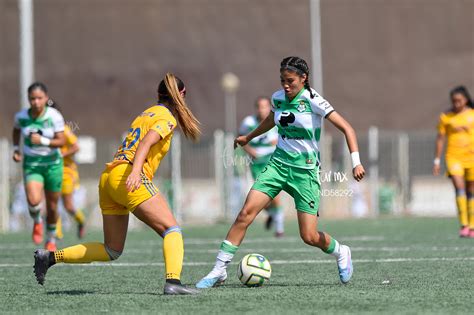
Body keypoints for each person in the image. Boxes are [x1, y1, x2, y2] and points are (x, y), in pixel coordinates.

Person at [196, 56, 365, 288]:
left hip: (305, 173)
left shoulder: (314, 100)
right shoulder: (277, 98)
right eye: (282, 80)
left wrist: (356, 162)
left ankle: (341, 251)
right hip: (277, 166)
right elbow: (271, 120)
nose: (285, 85)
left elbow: (347, 128)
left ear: (303, 78)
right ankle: (219, 269)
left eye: (290, 81)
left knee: (309, 236)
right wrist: (249, 137)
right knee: (245, 214)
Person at [34, 73, 201, 295]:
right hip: (128, 175)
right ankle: (174, 283)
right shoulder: (166, 117)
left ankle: (50, 257)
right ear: (182, 95)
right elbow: (146, 142)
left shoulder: (146, 113)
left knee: (111, 250)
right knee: (172, 230)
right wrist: (135, 171)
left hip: (110, 177)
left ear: (158, 95)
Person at [13, 82, 66, 251]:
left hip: (53, 165)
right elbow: (16, 130)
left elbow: (62, 141)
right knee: (34, 201)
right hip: (32, 164)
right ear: (28, 99)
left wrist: (42, 140)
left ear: (46, 98)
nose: (36, 102)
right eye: (32, 99)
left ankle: (51, 239)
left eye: (39, 98)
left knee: (52, 206)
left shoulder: (54, 116)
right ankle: (37, 221)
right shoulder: (21, 116)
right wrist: (16, 149)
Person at [239, 97, 284, 237]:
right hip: (257, 163)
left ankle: (279, 228)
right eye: (260, 106)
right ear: (256, 108)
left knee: (274, 194)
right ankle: (272, 214)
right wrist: (251, 152)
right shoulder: (249, 122)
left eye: (265, 106)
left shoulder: (277, 119)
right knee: (261, 199)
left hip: (273, 160)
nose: (262, 109)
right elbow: (241, 138)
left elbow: (286, 136)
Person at [433, 86, 474, 238]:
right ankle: (464, 224)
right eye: (454, 101)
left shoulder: (472, 114)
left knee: (471, 191)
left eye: (459, 100)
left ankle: (472, 225)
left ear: (466, 100)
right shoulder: (446, 117)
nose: (456, 104)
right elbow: (440, 138)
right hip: (454, 156)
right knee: (459, 187)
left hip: (471, 157)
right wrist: (436, 160)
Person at [47, 100, 86, 239]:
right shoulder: (44, 130)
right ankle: (56, 233)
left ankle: (81, 221)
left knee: (68, 206)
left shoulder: (64, 129)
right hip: (51, 170)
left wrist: (61, 154)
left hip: (66, 172)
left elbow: (76, 147)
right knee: (52, 201)